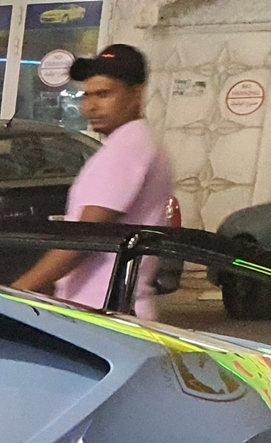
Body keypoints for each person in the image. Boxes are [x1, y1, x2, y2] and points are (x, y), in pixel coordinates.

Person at [10, 44, 174, 319]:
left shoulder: (129, 144)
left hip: (103, 311)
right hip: (106, 309)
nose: (91, 106)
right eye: (86, 95)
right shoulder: (135, 143)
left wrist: (19, 290)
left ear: (137, 95)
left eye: (104, 94)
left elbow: (88, 234)